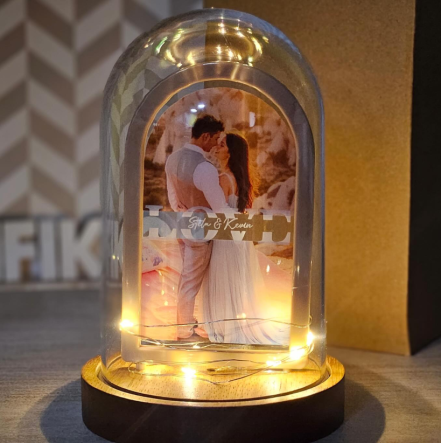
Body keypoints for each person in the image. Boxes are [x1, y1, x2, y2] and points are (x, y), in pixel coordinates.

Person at [201, 133, 291, 345]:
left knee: (225, 281)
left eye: (222, 145)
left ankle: (225, 326)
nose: (217, 147)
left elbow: (218, 212)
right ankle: (236, 323)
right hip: (240, 238)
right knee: (238, 282)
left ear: (230, 152)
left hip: (226, 238)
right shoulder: (241, 179)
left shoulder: (223, 179)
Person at [165, 115, 228, 339]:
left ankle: (186, 321)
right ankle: (184, 329)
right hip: (201, 230)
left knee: (187, 278)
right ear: (205, 136)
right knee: (191, 281)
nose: (216, 144)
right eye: (216, 138)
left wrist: (185, 211)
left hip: (182, 225)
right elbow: (219, 206)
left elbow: (173, 199)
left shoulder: (172, 159)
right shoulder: (204, 167)